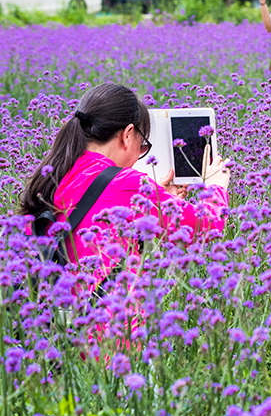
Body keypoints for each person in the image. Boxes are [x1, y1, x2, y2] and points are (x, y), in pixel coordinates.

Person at [19, 83, 230, 290]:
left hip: (51, 316)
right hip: (104, 320)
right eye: (143, 145)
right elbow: (203, 227)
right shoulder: (126, 183)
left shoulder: (56, 172)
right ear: (127, 135)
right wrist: (216, 186)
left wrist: (156, 196)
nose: (140, 154)